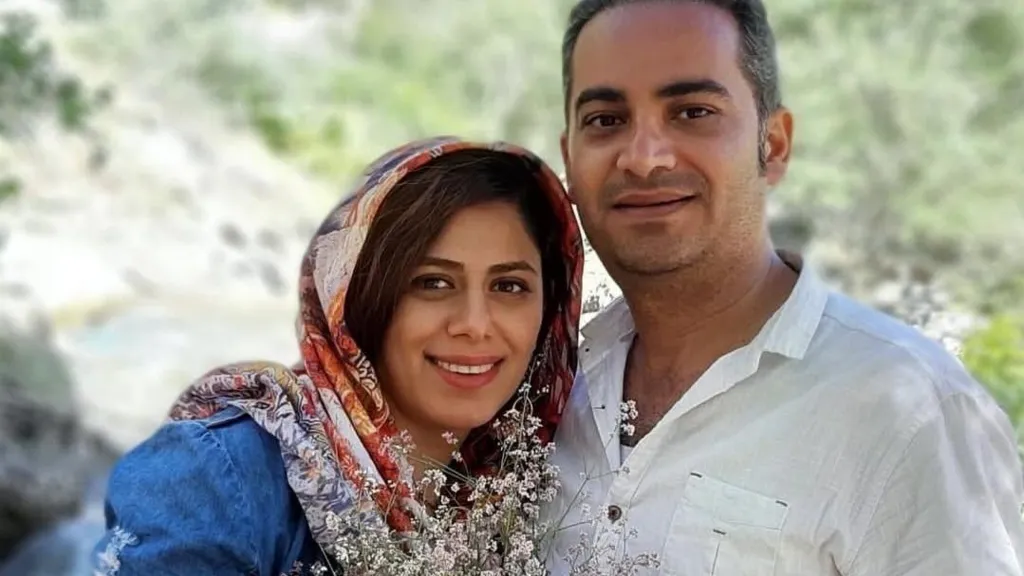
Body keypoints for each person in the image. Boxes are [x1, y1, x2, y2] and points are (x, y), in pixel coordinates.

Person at [545, 1, 1024, 575]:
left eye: (693, 112)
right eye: (605, 120)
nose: (644, 159)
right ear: (570, 159)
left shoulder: (911, 412)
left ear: (772, 145)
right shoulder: (547, 386)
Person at [90, 137, 584, 575]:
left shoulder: (522, 503)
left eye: (509, 286)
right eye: (433, 283)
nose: (475, 323)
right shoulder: (222, 473)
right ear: (356, 299)